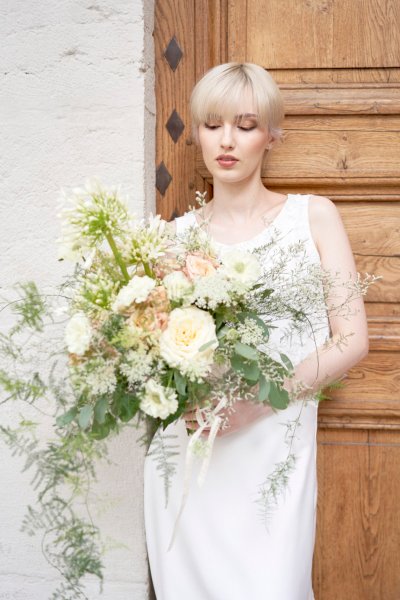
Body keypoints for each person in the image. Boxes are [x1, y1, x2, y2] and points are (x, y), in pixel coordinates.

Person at [144, 62, 369, 600]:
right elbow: (152, 348)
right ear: (195, 131)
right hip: (190, 462)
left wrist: (255, 403)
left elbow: (351, 339)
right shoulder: (172, 241)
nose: (226, 141)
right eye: (212, 123)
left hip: (273, 456)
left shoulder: (313, 217)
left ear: (272, 134)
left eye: (245, 125)